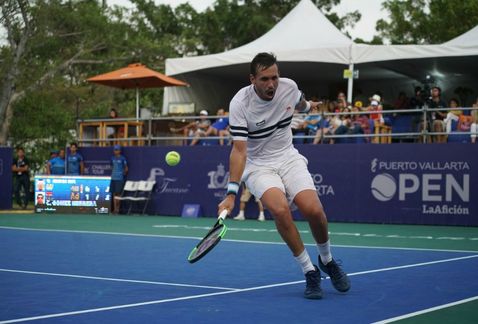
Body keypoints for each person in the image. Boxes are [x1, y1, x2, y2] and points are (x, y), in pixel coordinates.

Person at [219, 52, 350, 299]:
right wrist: (231, 193)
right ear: (252, 79)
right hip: (259, 165)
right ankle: (309, 271)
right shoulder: (240, 103)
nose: (271, 84)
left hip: (288, 157)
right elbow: (239, 151)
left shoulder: (288, 87)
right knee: (279, 210)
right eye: (265, 79)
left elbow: (301, 104)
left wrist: (311, 105)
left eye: (274, 78)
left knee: (314, 211)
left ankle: (327, 260)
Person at [110, 144, 128, 214]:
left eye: (117, 150)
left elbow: (126, 168)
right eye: (114, 150)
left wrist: (121, 174)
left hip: (119, 178)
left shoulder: (123, 158)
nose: (115, 151)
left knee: (118, 194)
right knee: (114, 194)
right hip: (113, 178)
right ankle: (115, 209)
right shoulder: (112, 158)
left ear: (120, 151)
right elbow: (111, 167)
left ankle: (118, 209)